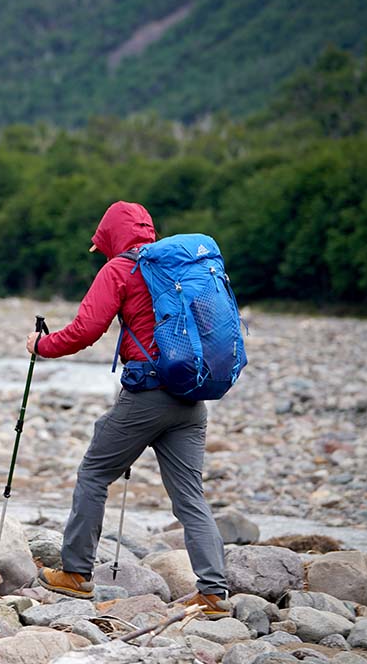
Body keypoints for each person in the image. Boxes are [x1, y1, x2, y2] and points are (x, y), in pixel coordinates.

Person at [25, 201, 231, 618]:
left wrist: (41, 346)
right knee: (191, 497)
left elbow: (86, 330)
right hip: (192, 397)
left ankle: (76, 574)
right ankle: (213, 594)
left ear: (110, 235)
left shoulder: (120, 269)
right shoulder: (178, 268)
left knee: (95, 473)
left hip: (147, 397)